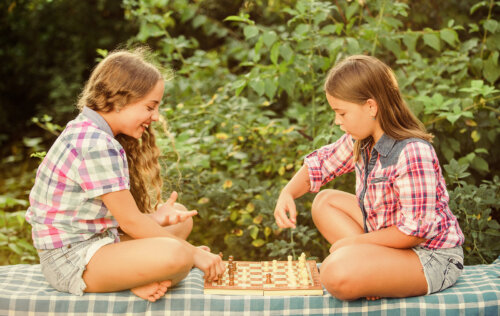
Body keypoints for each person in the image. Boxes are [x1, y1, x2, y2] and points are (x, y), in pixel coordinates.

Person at [25, 48, 225, 302]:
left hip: (99, 243)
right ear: (119, 100)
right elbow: (130, 222)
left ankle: (138, 275)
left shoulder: (93, 132)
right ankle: (132, 279)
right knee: (179, 256)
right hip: (71, 260)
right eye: (150, 107)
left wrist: (155, 218)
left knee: (180, 221)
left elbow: (114, 220)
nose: (155, 117)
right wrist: (195, 253)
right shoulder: (95, 142)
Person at [273, 55, 464, 300]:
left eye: (342, 113)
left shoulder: (413, 152)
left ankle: (368, 271)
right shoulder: (361, 141)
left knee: (333, 272)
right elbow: (320, 165)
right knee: (324, 202)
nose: (337, 121)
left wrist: (355, 245)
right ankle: (371, 271)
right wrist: (287, 192)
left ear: (371, 107)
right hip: (388, 242)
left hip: (429, 257)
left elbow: (414, 232)